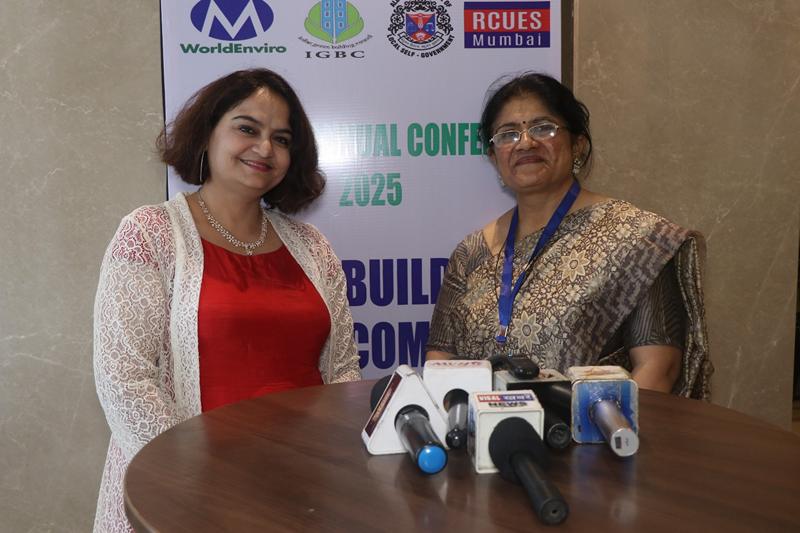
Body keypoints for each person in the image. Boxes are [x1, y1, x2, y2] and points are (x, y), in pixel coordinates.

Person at [92, 69, 361, 532]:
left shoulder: (312, 246)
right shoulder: (150, 234)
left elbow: (342, 372)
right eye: (247, 128)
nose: (265, 148)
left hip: (300, 491)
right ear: (207, 134)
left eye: (281, 139)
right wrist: (197, 477)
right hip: (187, 495)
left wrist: (333, 463)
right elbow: (125, 380)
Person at [426, 72, 712, 399]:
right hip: (483, 428)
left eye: (543, 128)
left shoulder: (638, 240)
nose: (525, 143)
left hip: (589, 428)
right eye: (508, 134)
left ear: (578, 144)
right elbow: (440, 360)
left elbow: (658, 369)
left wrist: (595, 428)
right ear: (494, 158)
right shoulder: (471, 253)